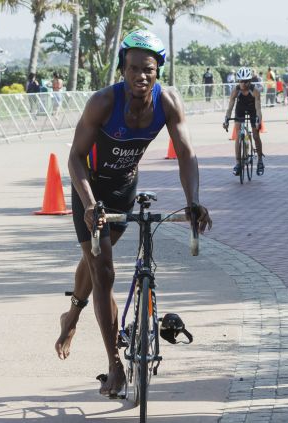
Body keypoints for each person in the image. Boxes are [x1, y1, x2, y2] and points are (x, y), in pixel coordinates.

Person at [55, 29, 212, 397]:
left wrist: (193, 200)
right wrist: (91, 204)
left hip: (124, 188)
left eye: (149, 69)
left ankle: (72, 313)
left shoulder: (169, 101)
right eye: (134, 69)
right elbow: (75, 157)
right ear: (123, 70)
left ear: (158, 71)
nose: (141, 76)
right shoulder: (103, 103)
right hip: (90, 188)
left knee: (95, 264)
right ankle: (114, 365)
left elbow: (186, 153)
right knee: (104, 270)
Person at [222, 67, 265, 177]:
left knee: (255, 135)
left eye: (246, 81)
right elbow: (230, 107)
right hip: (240, 109)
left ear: (250, 81)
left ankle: (260, 160)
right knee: (238, 136)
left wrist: (258, 120)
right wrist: (226, 118)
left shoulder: (255, 90)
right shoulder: (235, 90)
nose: (243, 84)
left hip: (253, 110)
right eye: (241, 81)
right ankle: (237, 163)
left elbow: (258, 109)